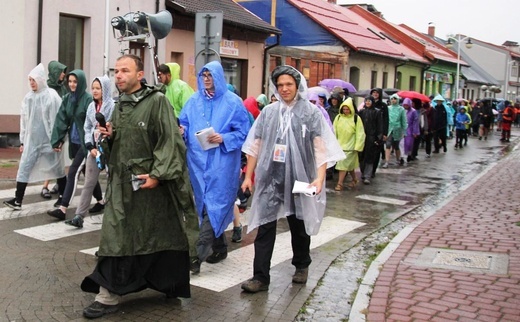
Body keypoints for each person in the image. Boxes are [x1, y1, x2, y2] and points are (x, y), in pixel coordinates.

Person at [80, 54, 197, 319]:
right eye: (116, 71)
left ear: (140, 75)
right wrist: (111, 137)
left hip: (150, 186)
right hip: (123, 186)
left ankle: (169, 283)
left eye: (124, 70)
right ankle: (107, 295)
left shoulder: (158, 102)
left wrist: (158, 174)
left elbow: (170, 142)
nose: (118, 75)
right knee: (116, 234)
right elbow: (121, 146)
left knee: (159, 232)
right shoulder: (120, 105)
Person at [240, 65, 345, 293]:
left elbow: (320, 146)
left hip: (303, 179)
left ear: (298, 85)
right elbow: (254, 145)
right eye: (280, 85)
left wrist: (319, 178)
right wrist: (249, 176)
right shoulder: (268, 112)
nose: (284, 89)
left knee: (299, 225)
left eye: (289, 84)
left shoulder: (311, 112)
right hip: (271, 178)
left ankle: (301, 265)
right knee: (264, 226)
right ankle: (260, 277)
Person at [179, 61, 250, 273]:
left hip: (222, 163)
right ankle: (219, 248)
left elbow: (245, 132)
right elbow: (184, 125)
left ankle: (196, 257)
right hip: (198, 163)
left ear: (218, 77)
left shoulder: (233, 103)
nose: (206, 79)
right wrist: (182, 131)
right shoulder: (193, 101)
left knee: (216, 204)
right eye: (204, 75)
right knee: (204, 206)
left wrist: (225, 138)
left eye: (210, 75)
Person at [3, 64, 65, 210]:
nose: (31, 82)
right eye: (29, 79)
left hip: (49, 142)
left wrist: (58, 139)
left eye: (34, 79)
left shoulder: (51, 96)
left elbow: (59, 119)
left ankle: (63, 197)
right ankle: (18, 200)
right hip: (33, 142)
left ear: (41, 79)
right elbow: (24, 121)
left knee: (57, 169)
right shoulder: (28, 98)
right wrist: (23, 141)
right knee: (24, 167)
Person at [47, 70, 103, 220]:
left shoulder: (88, 100)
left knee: (72, 173)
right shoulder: (68, 99)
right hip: (75, 143)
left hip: (87, 144)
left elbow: (92, 124)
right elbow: (61, 120)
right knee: (88, 173)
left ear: (81, 83)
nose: (72, 84)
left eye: (75, 82)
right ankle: (101, 201)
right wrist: (57, 140)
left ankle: (63, 208)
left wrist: (91, 144)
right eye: (70, 81)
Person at [64, 75, 114, 228]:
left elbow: (115, 127)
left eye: (98, 88)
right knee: (88, 183)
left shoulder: (113, 106)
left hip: (110, 149)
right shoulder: (91, 107)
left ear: (104, 89)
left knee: (113, 183)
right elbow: (87, 127)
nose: (95, 91)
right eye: (93, 88)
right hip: (94, 149)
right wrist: (89, 146)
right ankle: (79, 216)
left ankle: (114, 217)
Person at [42, 60, 68, 197]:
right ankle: (46, 185)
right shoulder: (46, 89)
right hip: (49, 129)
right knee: (50, 157)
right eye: (61, 71)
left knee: (58, 158)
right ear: (55, 73)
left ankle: (58, 184)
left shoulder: (63, 89)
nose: (64, 74)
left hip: (61, 127)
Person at [332, 97, 365, 191]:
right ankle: (354, 179)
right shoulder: (338, 118)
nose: (346, 111)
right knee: (349, 166)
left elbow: (360, 133)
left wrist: (358, 146)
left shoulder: (356, 118)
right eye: (344, 109)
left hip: (351, 146)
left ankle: (340, 184)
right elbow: (334, 131)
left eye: (347, 109)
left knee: (342, 165)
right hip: (340, 145)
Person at [358, 96, 383, 184]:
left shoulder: (377, 112)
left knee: (370, 157)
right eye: (366, 101)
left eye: (369, 101)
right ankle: (363, 172)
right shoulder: (361, 112)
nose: (367, 103)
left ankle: (367, 175)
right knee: (361, 156)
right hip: (362, 137)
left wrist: (378, 138)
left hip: (371, 137)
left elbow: (379, 126)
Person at [382, 94, 407, 168]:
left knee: (396, 145)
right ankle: (387, 161)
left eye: (395, 99)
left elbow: (404, 121)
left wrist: (404, 131)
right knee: (388, 144)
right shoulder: (388, 108)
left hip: (397, 129)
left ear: (398, 100)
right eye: (392, 99)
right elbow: (385, 119)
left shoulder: (401, 109)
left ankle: (398, 159)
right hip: (389, 129)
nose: (393, 100)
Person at [371, 88, 388, 176]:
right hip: (370, 130)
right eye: (373, 92)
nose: (375, 94)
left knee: (377, 151)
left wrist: (385, 133)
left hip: (379, 130)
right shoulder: (368, 103)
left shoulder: (383, 105)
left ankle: (373, 170)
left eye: (377, 93)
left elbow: (386, 119)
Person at [403, 98, 419, 162]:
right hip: (402, 129)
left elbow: (415, 122)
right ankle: (402, 156)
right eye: (405, 105)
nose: (406, 106)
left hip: (410, 129)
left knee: (409, 143)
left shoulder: (413, 111)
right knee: (402, 143)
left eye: (407, 105)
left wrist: (415, 132)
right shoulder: (402, 110)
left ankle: (409, 154)